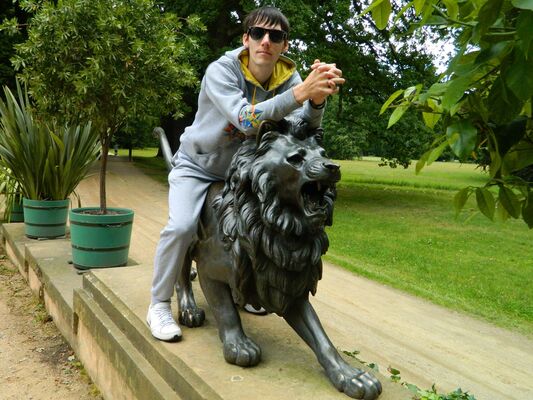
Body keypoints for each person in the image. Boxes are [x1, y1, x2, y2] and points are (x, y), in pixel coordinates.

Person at [147, 6, 345, 342]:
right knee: (181, 227)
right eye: (258, 33)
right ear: (246, 39)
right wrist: (301, 93)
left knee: (252, 232)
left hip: (240, 173)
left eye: (276, 36)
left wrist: (317, 100)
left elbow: (300, 127)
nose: (266, 41)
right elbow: (245, 119)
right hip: (198, 167)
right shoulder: (221, 70)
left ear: (284, 45)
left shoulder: (289, 78)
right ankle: (159, 304)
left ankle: (246, 290)